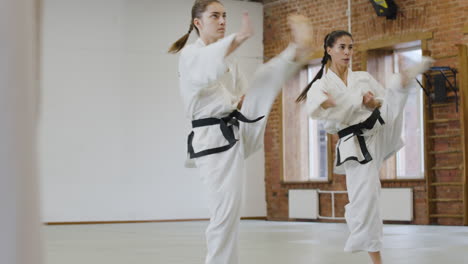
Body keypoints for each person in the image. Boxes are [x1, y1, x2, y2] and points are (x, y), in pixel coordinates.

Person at [169, 1, 314, 263]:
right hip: (212, 140)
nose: (223, 21)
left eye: (225, 16)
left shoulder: (229, 60)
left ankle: (294, 51)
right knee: (224, 214)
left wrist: (243, 98)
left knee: (230, 213)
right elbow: (206, 67)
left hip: (232, 133)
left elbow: (243, 95)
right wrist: (240, 37)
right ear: (198, 23)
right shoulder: (191, 54)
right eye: (215, 16)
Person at [296, 30, 433, 264]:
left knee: (391, 98)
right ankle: (376, 259)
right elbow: (319, 111)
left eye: (350, 47)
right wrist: (349, 102)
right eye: (342, 47)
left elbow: (380, 101)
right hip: (355, 145)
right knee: (366, 199)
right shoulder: (321, 84)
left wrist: (371, 103)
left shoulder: (363, 77)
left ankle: (400, 81)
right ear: (329, 49)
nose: (348, 52)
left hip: (378, 128)